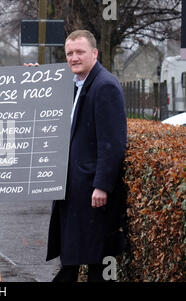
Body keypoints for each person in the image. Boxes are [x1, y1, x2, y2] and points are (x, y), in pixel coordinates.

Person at [45, 30, 127, 282]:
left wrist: (102, 185)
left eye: (79, 52)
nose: (73, 58)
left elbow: (113, 143)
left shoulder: (105, 86)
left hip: (92, 193)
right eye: (69, 53)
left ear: (94, 53)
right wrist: (33, 78)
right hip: (73, 190)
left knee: (95, 261)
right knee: (74, 256)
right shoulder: (77, 84)